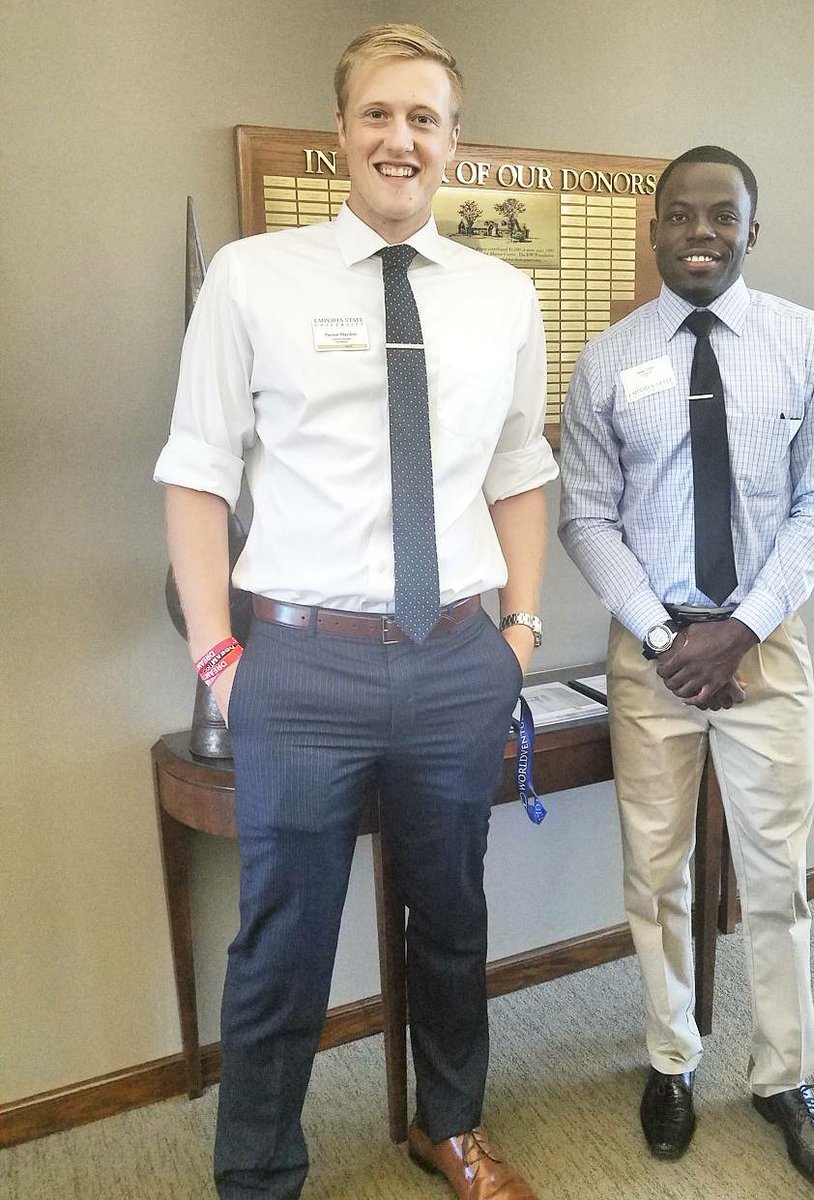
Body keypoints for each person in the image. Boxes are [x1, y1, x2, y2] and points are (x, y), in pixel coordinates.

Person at [155, 24, 556, 1200]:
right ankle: (258, 1173)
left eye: (424, 118)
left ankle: (453, 1127)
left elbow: (520, 471)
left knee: (453, 918)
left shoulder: (501, 295)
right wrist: (217, 653)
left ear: (452, 143)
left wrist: (519, 633)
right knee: (281, 940)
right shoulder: (250, 277)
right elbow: (196, 473)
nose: (401, 138)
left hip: (455, 661)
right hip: (299, 666)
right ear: (341, 133)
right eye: (379, 114)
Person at [559, 145, 814, 1194]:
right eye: (680, 214)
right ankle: (672, 1060)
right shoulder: (607, 362)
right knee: (657, 872)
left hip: (765, 649)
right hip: (652, 659)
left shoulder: (808, 344)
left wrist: (740, 629)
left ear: (751, 230)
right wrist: (662, 638)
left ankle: (786, 1076)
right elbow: (586, 518)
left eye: (721, 215)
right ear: (653, 231)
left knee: (777, 877)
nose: (700, 231)